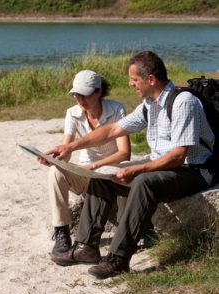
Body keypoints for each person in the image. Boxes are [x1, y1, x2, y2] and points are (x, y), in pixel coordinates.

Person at [46, 51, 215, 278]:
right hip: (164, 164)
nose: (130, 84)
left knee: (144, 182)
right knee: (104, 174)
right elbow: (114, 130)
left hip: (193, 170)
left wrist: (138, 168)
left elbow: (178, 155)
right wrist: (69, 148)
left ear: (151, 80)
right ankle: (86, 246)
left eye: (134, 80)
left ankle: (118, 259)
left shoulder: (183, 102)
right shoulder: (150, 104)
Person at [38, 70, 131, 255]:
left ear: (98, 92)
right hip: (87, 174)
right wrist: (54, 160)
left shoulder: (116, 109)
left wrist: (96, 166)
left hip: (111, 172)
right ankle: (62, 232)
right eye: (75, 94)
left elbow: (124, 153)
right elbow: (66, 150)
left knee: (114, 174)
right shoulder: (72, 114)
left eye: (84, 94)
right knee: (56, 172)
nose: (80, 99)